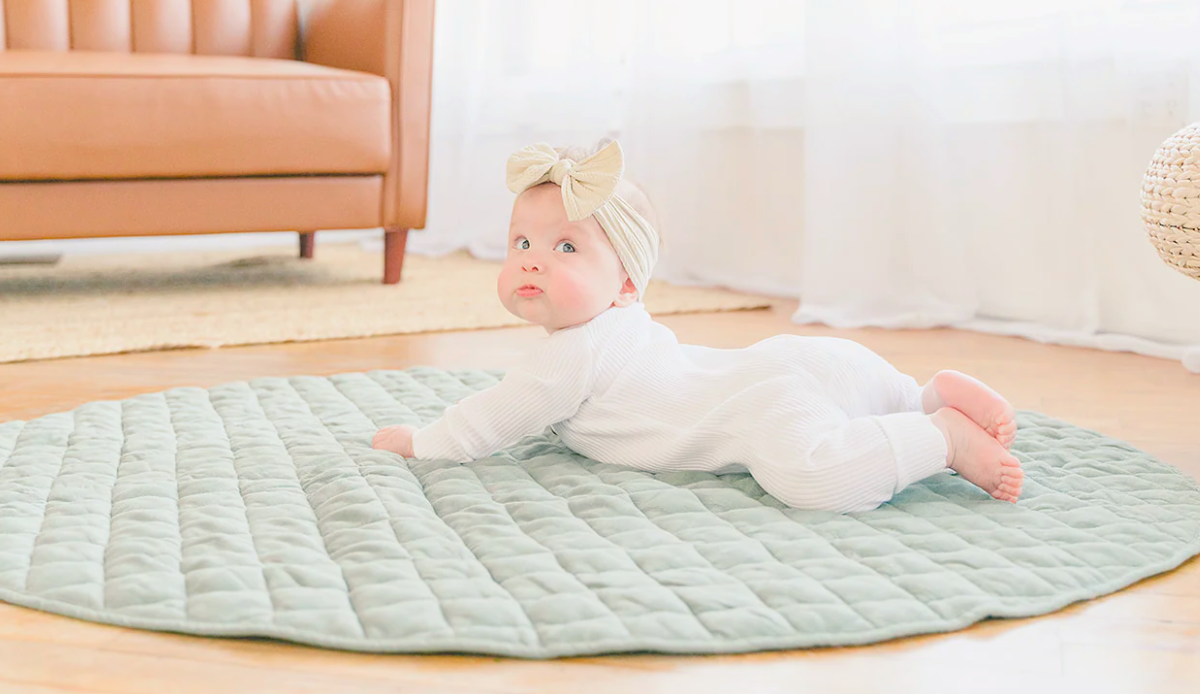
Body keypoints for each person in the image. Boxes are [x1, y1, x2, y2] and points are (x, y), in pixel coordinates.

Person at [373, 139, 1023, 513]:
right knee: (852, 386)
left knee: (818, 478)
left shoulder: (569, 356)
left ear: (629, 282)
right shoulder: (624, 330)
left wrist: (428, 441)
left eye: (566, 247)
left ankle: (939, 436)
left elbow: (497, 415)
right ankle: (921, 395)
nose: (533, 260)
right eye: (520, 243)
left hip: (759, 406)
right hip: (782, 364)